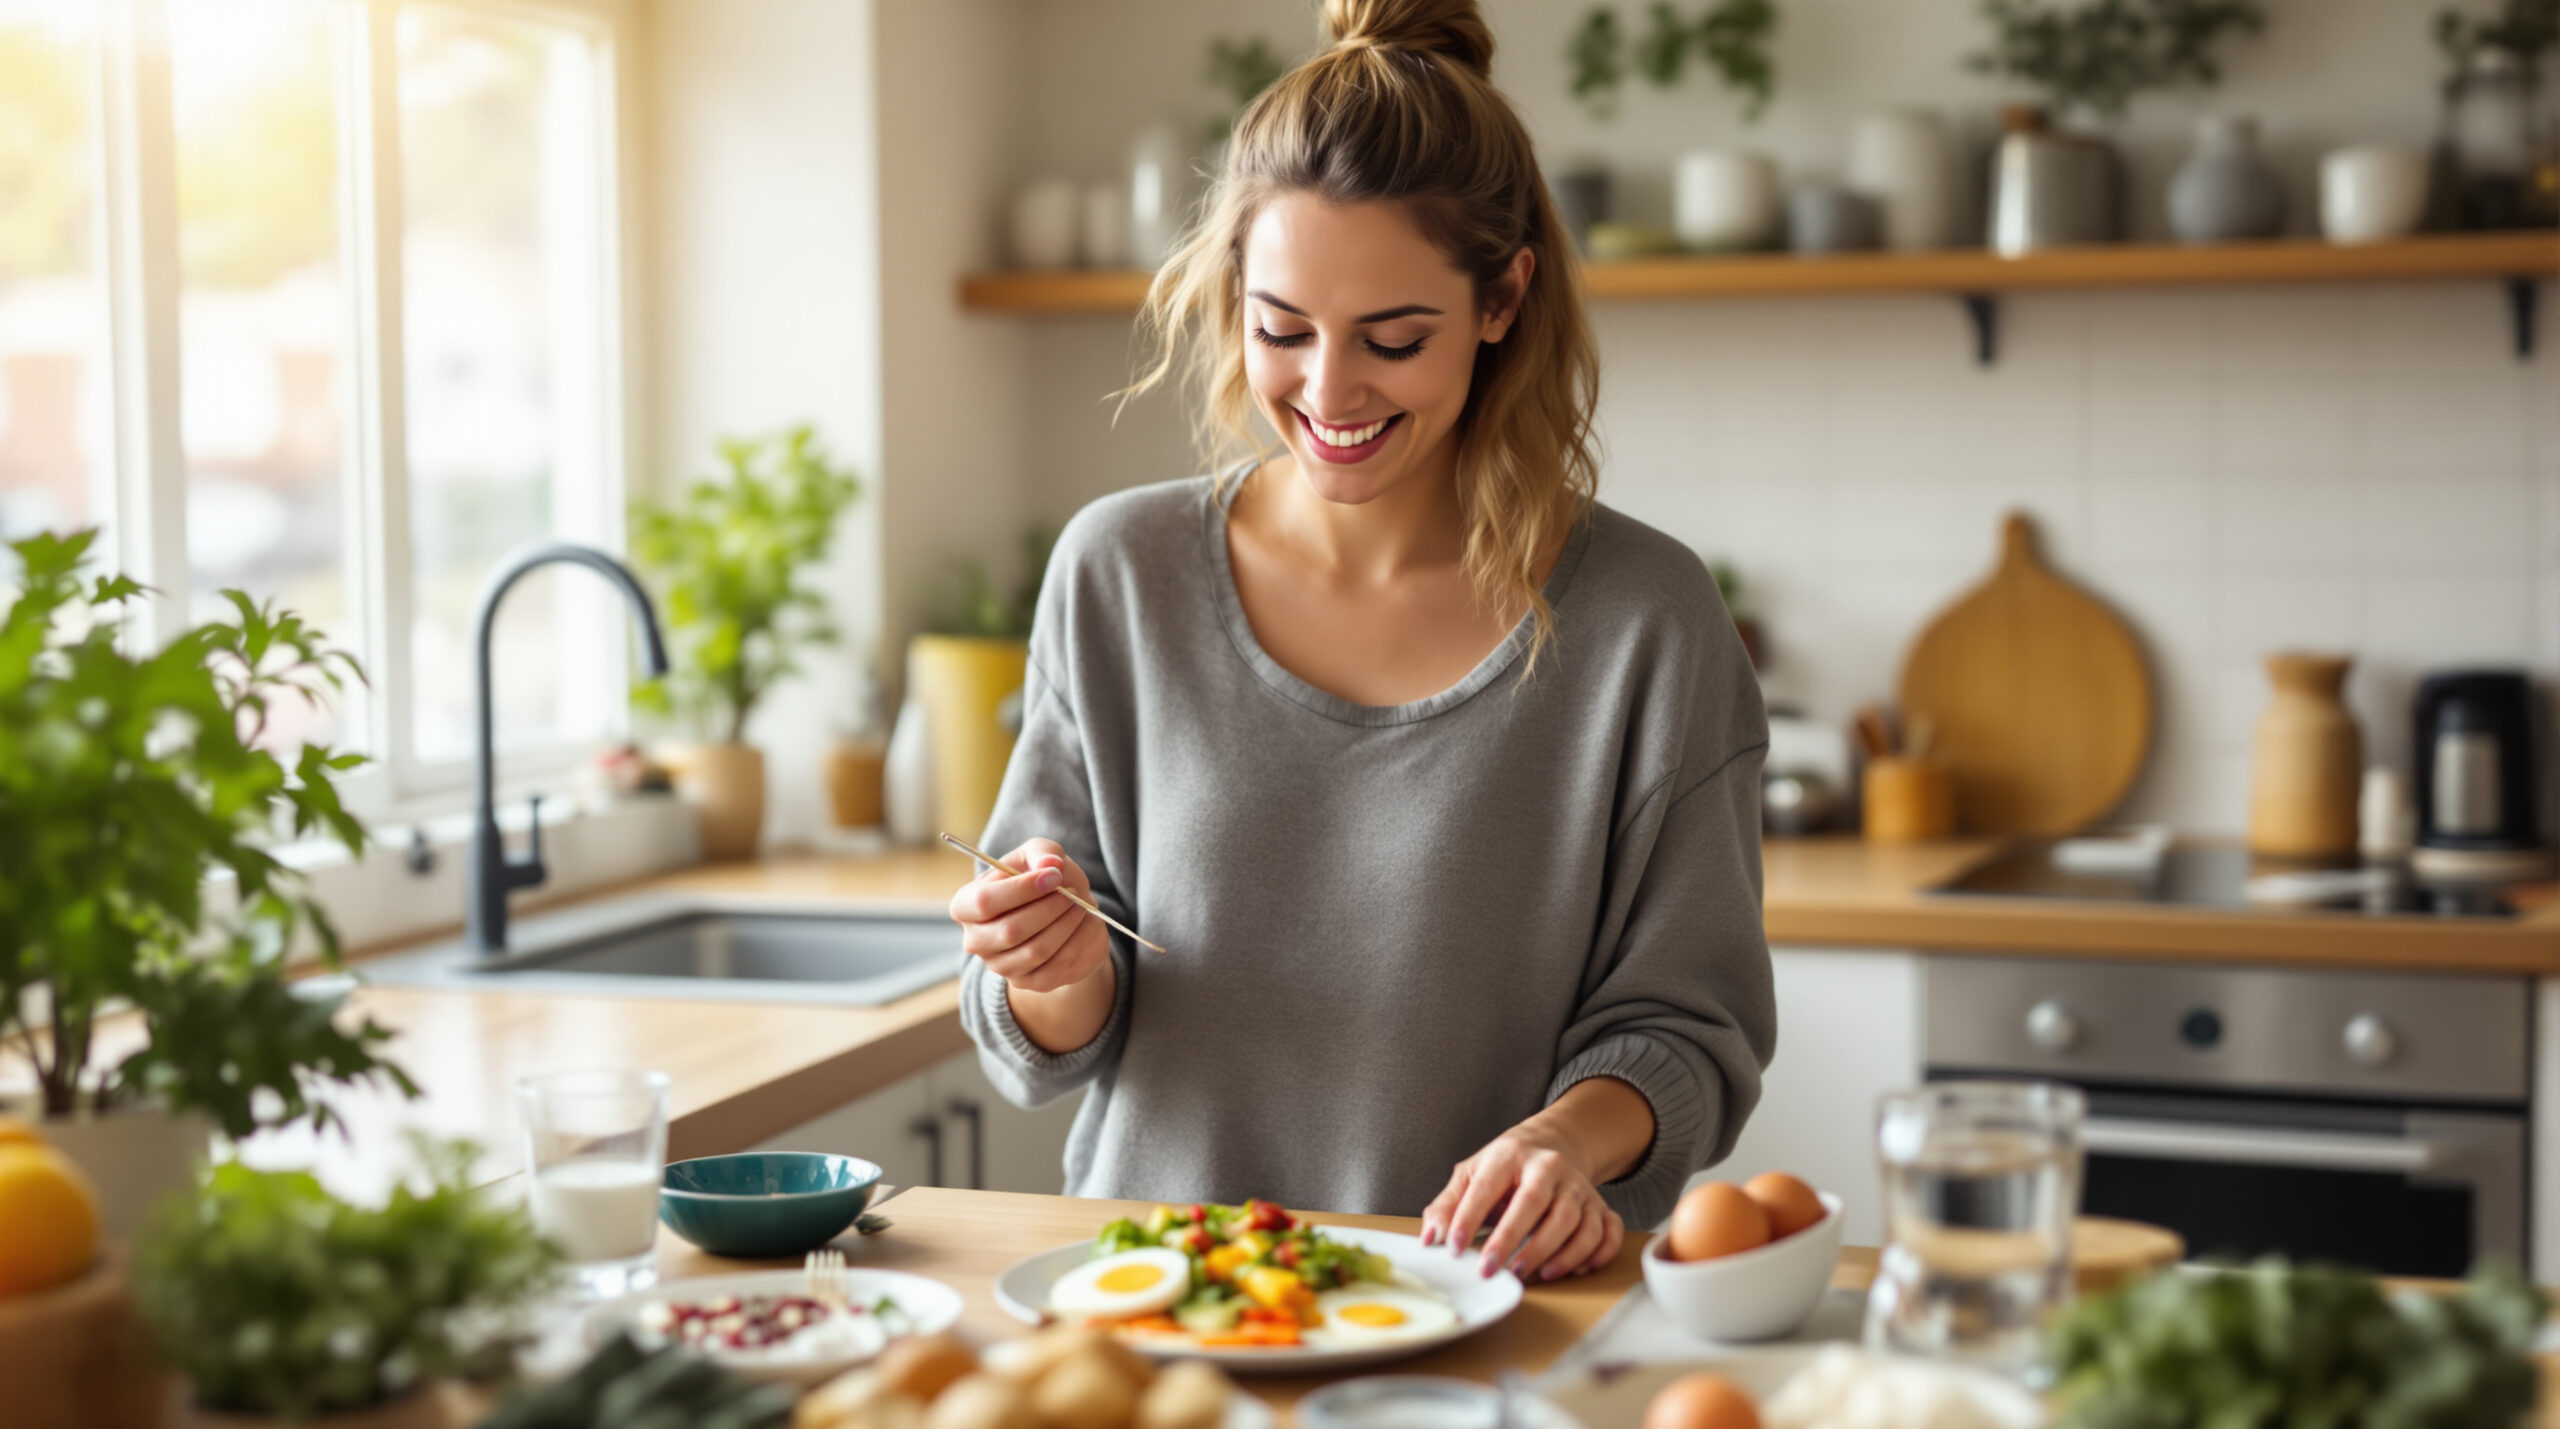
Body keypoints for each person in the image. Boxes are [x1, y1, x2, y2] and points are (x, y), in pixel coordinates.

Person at [949, 0, 1772, 1285]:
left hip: (1473, 1306)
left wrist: (1563, 1140)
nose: (1328, 393)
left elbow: (1688, 1031)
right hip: (1157, 1298)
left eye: (1393, 339)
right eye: (1281, 329)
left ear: (1503, 297)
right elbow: (1049, 1033)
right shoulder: (1120, 574)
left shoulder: (1646, 622)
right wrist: (1049, 962)